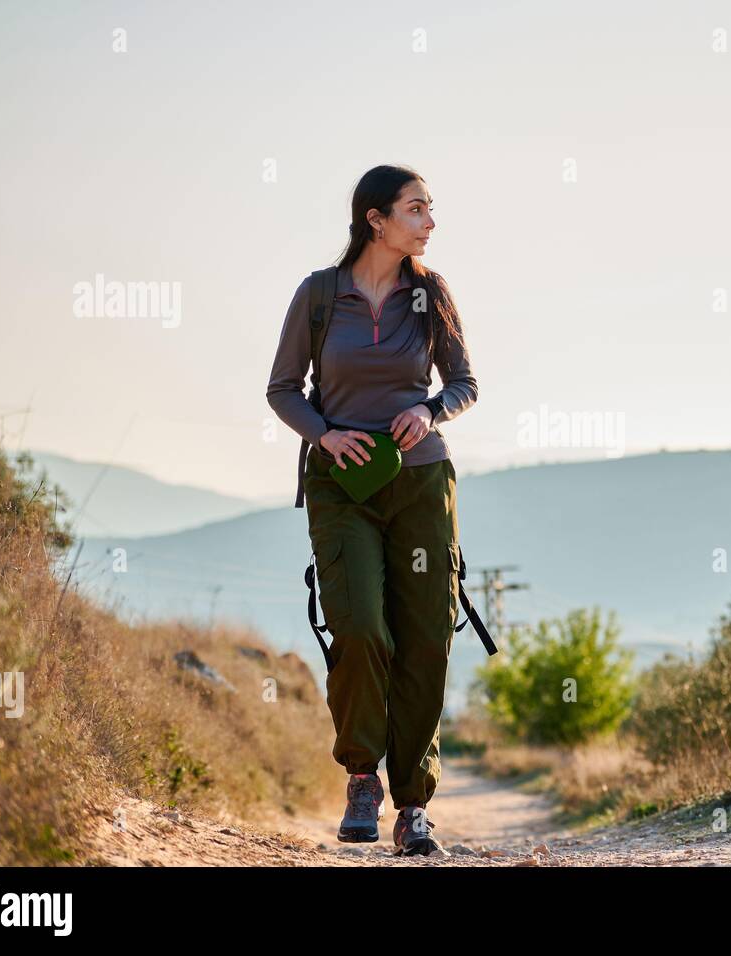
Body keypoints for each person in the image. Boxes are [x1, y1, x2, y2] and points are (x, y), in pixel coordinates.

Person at [265, 164, 478, 857]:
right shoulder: (319, 296)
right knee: (358, 625)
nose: (430, 221)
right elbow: (283, 388)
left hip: (420, 483)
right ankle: (363, 773)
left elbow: (465, 383)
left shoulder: (432, 295)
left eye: (430, 208)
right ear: (375, 220)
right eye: (416, 209)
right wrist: (324, 432)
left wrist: (430, 407)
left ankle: (414, 805)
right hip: (340, 486)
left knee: (425, 638)